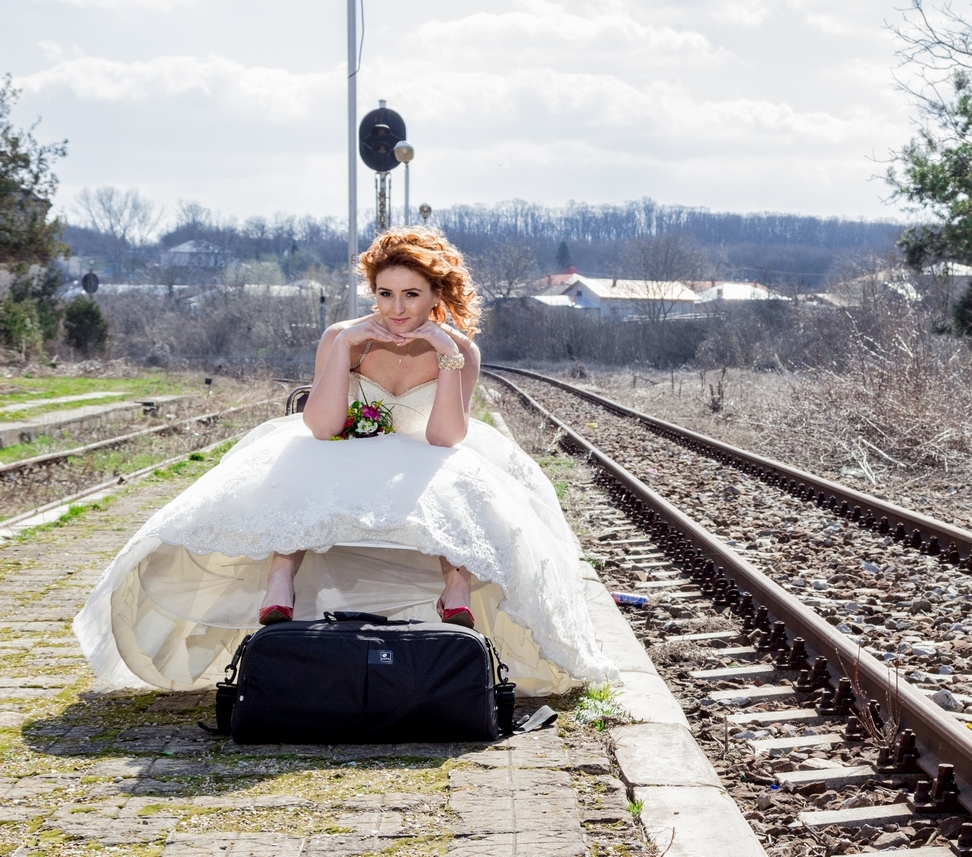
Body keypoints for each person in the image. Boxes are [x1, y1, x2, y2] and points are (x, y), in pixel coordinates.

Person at [73, 228, 615, 696]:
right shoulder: (344, 336)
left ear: (436, 295)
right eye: (385, 294)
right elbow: (320, 425)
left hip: (423, 456)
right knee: (306, 461)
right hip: (345, 445)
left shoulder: (458, 350)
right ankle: (280, 580)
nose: (396, 309)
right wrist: (344, 348)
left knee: (460, 480)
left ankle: (456, 587)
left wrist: (446, 356)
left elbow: (445, 436)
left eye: (411, 295)